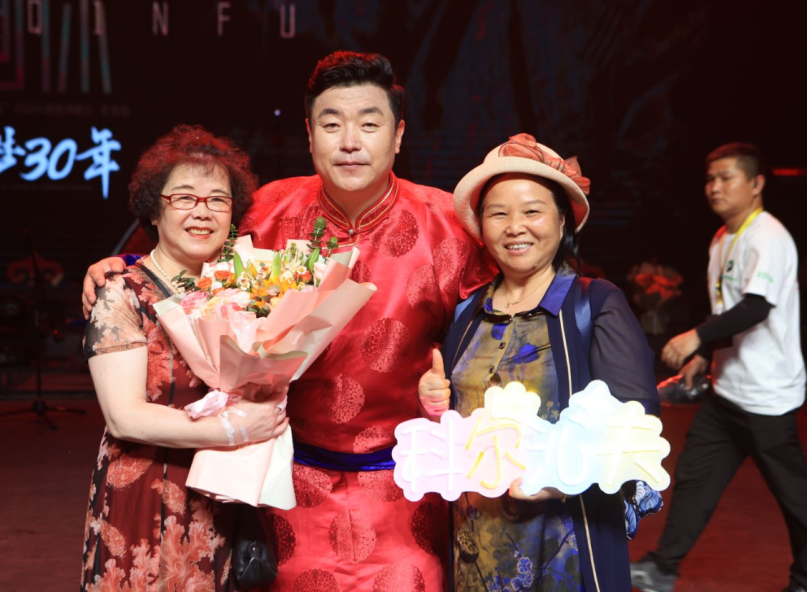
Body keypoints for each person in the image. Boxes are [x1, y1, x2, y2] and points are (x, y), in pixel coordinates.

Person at [82, 52, 494, 591]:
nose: (350, 141)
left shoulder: (450, 227)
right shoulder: (265, 210)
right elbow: (180, 246)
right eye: (332, 124)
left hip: (405, 485)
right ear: (309, 134)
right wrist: (123, 264)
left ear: (398, 137)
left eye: (370, 124)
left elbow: (502, 321)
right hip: (283, 481)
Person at [419, 133, 661, 591]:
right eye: (498, 213)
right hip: (476, 548)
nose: (515, 227)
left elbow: (637, 425)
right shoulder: (468, 312)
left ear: (563, 219)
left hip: (563, 545)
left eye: (532, 211)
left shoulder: (595, 304)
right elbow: (457, 427)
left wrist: (564, 479)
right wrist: (434, 402)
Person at [80, 125, 289, 592]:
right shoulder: (121, 294)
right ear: (155, 209)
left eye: (218, 200)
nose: (202, 211)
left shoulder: (245, 290)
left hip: (224, 494)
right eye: (184, 198)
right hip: (147, 492)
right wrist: (235, 430)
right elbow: (124, 417)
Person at [631, 143, 807, 592]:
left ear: (756, 183)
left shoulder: (768, 237)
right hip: (726, 391)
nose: (715, 187)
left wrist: (695, 337)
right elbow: (726, 311)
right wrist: (706, 355)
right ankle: (662, 567)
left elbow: (756, 307)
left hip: (767, 396)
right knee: (695, 477)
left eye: (727, 178)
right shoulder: (721, 238)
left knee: (795, 498)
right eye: (710, 179)